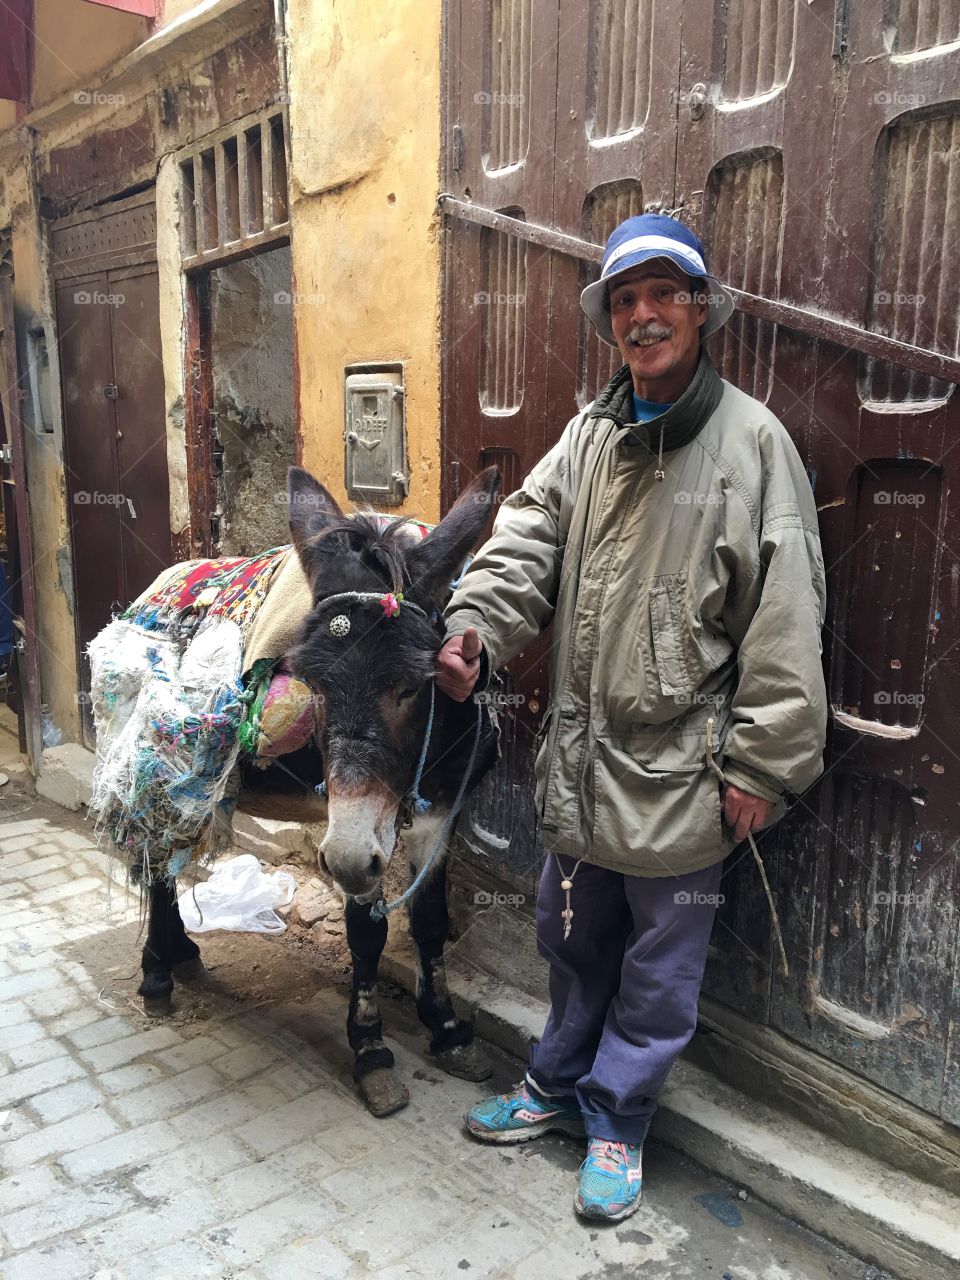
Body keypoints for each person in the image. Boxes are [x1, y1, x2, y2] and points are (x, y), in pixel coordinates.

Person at [436, 213, 827, 1222]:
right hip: (581, 763)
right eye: (624, 299)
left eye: (664, 293)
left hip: (685, 776)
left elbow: (785, 616)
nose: (644, 314)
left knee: (660, 972)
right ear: (610, 321)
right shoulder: (590, 436)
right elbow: (526, 534)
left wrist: (764, 763)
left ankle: (619, 1120)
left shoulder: (753, 446)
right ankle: (555, 1083)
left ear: (699, 309)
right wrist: (477, 621)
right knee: (569, 939)